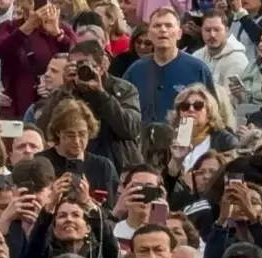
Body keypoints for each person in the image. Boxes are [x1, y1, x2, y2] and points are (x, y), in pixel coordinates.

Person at [36, 39, 143, 175]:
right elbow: (43, 129)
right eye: (75, 65)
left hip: (116, 166)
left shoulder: (123, 89)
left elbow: (130, 129)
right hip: (73, 165)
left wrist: (101, 94)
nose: (81, 69)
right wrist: (66, 90)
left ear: (101, 66)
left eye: (84, 64)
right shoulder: (66, 91)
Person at [123, 7, 215, 124]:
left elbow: (213, 114)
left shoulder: (198, 69)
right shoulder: (135, 71)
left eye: (169, 25)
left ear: (179, 34)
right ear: (149, 34)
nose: (163, 30)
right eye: (157, 26)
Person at [192, 10, 250, 88]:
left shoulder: (237, 59)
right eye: (207, 30)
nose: (212, 35)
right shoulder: (196, 56)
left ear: (227, 31)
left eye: (217, 30)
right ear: (201, 31)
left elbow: (230, 95)